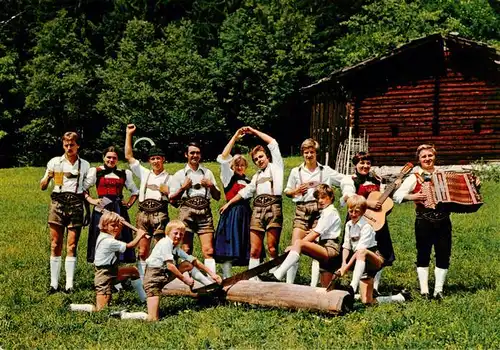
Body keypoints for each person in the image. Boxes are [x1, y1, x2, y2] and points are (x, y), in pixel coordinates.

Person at [393, 144, 480, 300]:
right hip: (423, 219)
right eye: (424, 156)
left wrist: (475, 186)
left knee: (443, 253)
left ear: (435, 156)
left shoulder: (444, 175)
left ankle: (438, 290)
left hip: (444, 220)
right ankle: (424, 291)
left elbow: (460, 190)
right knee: (423, 253)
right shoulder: (415, 177)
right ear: (419, 159)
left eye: (430, 155)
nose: (427, 159)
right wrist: (414, 197)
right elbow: (397, 195)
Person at [121, 220, 222, 321]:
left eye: (181, 234)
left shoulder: (174, 247)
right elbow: (170, 266)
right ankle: (125, 315)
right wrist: (185, 280)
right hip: (153, 280)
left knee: (187, 264)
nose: (178, 236)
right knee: (152, 319)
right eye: (176, 233)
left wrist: (212, 274)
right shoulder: (165, 243)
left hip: (163, 275)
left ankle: (209, 287)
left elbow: (193, 260)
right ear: (167, 233)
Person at [221, 127, 283, 279]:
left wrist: (254, 132)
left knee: (272, 248)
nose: (259, 160)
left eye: (261, 157)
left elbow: (273, 142)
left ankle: (275, 276)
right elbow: (244, 192)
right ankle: (252, 280)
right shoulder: (255, 177)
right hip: (257, 209)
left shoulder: (276, 167)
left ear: (267, 156)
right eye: (255, 159)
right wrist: (229, 204)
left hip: (273, 207)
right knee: (254, 249)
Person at [284, 138, 344, 284]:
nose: (309, 155)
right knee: (295, 244)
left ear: (316, 153)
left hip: (320, 211)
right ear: (302, 154)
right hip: (302, 209)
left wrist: (348, 194)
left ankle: (313, 285)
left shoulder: (325, 171)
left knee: (317, 247)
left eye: (311, 152)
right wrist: (295, 191)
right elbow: (286, 191)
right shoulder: (295, 171)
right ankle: (288, 284)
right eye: (306, 152)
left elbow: (343, 179)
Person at [40, 131, 92, 293]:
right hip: (58, 202)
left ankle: (69, 285)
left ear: (78, 146)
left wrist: (87, 211)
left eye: (72, 145)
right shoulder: (55, 162)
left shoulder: (85, 165)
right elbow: (42, 186)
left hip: (76, 203)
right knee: (55, 244)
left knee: (72, 245)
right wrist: (48, 177)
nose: (69, 148)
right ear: (63, 145)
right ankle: (54, 284)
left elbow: (85, 191)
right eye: (66, 145)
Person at [340, 152, 397, 296]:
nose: (365, 166)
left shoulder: (375, 179)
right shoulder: (349, 180)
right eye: (362, 163)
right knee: (358, 249)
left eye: (368, 163)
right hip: (358, 218)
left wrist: (393, 188)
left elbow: (382, 198)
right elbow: (348, 197)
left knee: (380, 251)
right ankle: (356, 285)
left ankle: (375, 287)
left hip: (377, 220)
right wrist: (368, 203)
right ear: (355, 164)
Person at [263, 184, 341, 287]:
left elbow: (316, 233)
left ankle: (277, 275)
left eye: (323, 198)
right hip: (325, 248)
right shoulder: (326, 212)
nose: (320, 201)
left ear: (331, 197)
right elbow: (321, 231)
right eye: (318, 199)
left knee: (299, 243)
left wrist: (295, 246)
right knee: (326, 289)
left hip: (330, 249)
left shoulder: (330, 212)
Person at [69, 211, 147, 313]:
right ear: (104, 226)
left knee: (133, 271)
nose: (116, 228)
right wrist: (139, 236)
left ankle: (144, 300)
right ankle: (74, 307)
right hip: (104, 276)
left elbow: (116, 233)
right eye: (113, 226)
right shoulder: (109, 241)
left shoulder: (105, 235)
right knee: (101, 310)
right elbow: (130, 246)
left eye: (118, 226)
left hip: (112, 272)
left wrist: (120, 221)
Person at [338, 195, 409, 305]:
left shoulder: (366, 227)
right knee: (367, 301)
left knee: (362, 251)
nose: (353, 214)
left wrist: (346, 268)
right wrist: (343, 264)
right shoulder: (348, 225)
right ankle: (398, 297)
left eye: (356, 212)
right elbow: (346, 246)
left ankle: (353, 286)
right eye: (351, 211)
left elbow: (359, 251)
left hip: (373, 260)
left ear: (363, 212)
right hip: (360, 262)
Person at [125, 124, 171, 280]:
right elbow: (129, 156)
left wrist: (169, 193)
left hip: (160, 215)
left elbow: (177, 199)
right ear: (149, 160)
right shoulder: (144, 173)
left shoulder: (170, 178)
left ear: (163, 159)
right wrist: (129, 134)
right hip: (143, 215)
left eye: (158, 158)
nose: (156, 161)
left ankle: (158, 278)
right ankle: (144, 278)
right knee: (142, 251)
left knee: (160, 249)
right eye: (153, 158)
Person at [169, 142, 221, 274]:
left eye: (197, 153)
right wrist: (183, 188)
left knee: (209, 250)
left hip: (204, 212)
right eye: (192, 153)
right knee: (186, 248)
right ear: (186, 155)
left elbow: (217, 197)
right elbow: (172, 199)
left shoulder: (207, 172)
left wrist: (211, 186)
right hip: (186, 213)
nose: (195, 155)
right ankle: (185, 279)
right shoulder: (179, 174)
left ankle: (211, 280)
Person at [85, 146, 139, 264]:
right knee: (101, 236)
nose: (111, 160)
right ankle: (101, 270)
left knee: (119, 237)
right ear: (103, 158)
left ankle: (117, 273)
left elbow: (135, 191)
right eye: (108, 157)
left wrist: (129, 204)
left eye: (114, 158)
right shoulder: (96, 171)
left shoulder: (124, 173)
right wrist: (91, 200)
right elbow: (83, 188)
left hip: (118, 207)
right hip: (102, 207)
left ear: (117, 160)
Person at [216, 128, 252, 278]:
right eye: (236, 164)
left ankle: (251, 278)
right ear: (232, 166)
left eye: (242, 164)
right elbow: (223, 157)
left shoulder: (249, 180)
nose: (239, 166)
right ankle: (226, 278)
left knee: (247, 247)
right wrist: (235, 137)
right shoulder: (227, 177)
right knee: (228, 247)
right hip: (231, 213)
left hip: (245, 215)